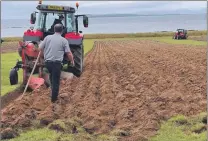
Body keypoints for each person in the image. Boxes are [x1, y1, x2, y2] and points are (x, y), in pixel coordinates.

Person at [39, 24, 74, 103]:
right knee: (56, 81)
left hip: (47, 63)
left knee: (52, 77)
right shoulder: (64, 40)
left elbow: (40, 48)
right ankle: (54, 99)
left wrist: (43, 55)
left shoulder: (47, 38)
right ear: (62, 30)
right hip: (56, 63)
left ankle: (52, 92)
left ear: (54, 30)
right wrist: (72, 60)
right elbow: (68, 53)